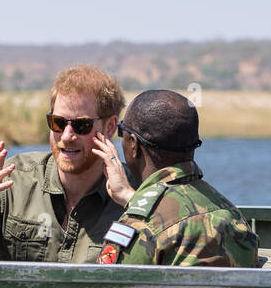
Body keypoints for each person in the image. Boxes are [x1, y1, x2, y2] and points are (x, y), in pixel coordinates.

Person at [0, 65, 125, 262]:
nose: (66, 136)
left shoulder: (134, 196)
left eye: (81, 125)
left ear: (109, 127)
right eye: (57, 123)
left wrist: (129, 200)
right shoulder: (11, 182)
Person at [89, 89, 259, 267]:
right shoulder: (229, 213)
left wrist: (137, 209)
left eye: (122, 132)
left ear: (133, 145)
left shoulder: (139, 227)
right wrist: (130, 197)